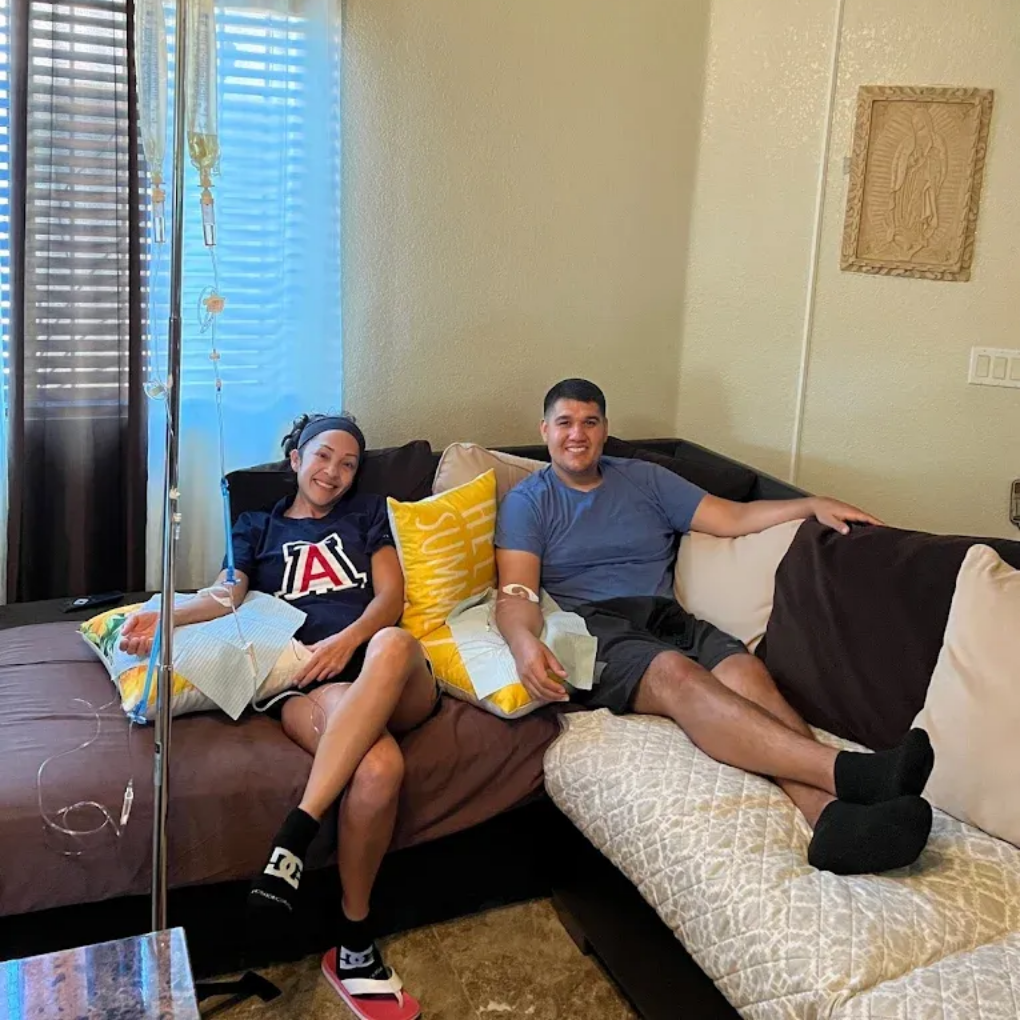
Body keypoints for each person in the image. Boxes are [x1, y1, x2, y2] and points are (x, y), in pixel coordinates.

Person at [494, 379, 935, 876]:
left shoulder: (645, 479)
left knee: (746, 673)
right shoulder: (528, 501)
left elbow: (732, 516)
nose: (577, 434)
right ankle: (850, 773)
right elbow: (517, 593)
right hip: (594, 627)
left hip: (665, 616)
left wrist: (810, 505)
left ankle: (829, 818)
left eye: (589, 422)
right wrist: (523, 642)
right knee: (678, 675)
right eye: (565, 423)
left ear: (605, 430)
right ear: (545, 430)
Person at [120, 413, 433, 1020]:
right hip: (303, 683)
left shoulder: (368, 514)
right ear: (295, 459)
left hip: (383, 671)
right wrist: (165, 614)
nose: (334, 473)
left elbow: (391, 600)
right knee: (377, 768)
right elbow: (225, 594)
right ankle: (355, 945)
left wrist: (348, 642)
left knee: (394, 643)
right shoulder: (255, 526)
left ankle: (297, 830)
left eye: (347, 464)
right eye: (323, 457)